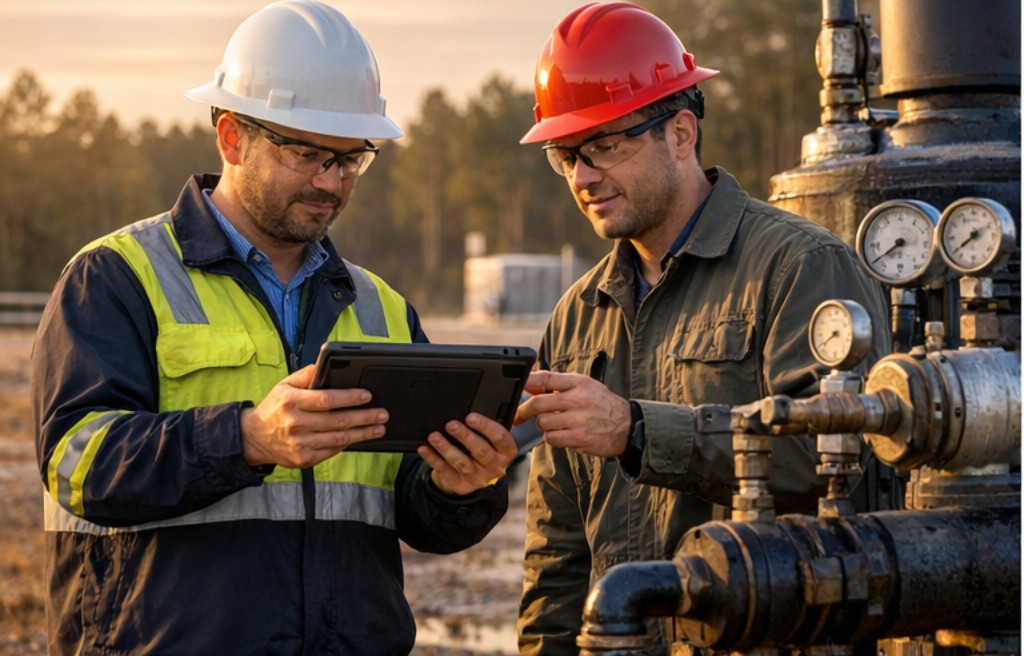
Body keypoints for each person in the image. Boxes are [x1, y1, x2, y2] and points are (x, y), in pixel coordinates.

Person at [31, 2, 518, 653]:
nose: (333, 182)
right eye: (310, 154)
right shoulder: (115, 278)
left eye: (352, 159)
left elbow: (414, 513)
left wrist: (462, 486)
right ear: (232, 137)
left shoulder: (383, 308)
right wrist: (247, 438)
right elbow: (75, 464)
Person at [512, 3, 892, 653]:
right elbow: (559, 548)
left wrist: (636, 430)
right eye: (566, 155)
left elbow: (842, 468)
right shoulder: (578, 318)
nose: (581, 176)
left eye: (604, 145)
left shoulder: (798, 268)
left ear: (681, 134)